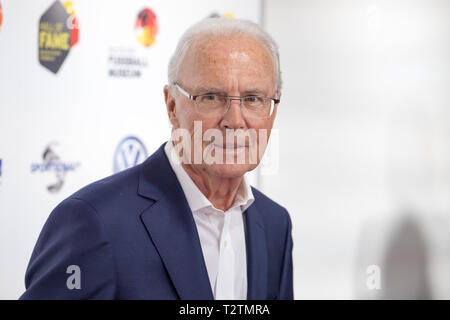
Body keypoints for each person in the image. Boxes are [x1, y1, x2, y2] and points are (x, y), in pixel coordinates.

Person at [20, 17, 293, 300]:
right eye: (211, 97)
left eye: (253, 99)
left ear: (273, 108)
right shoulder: (94, 223)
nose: (234, 121)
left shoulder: (275, 224)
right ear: (172, 106)